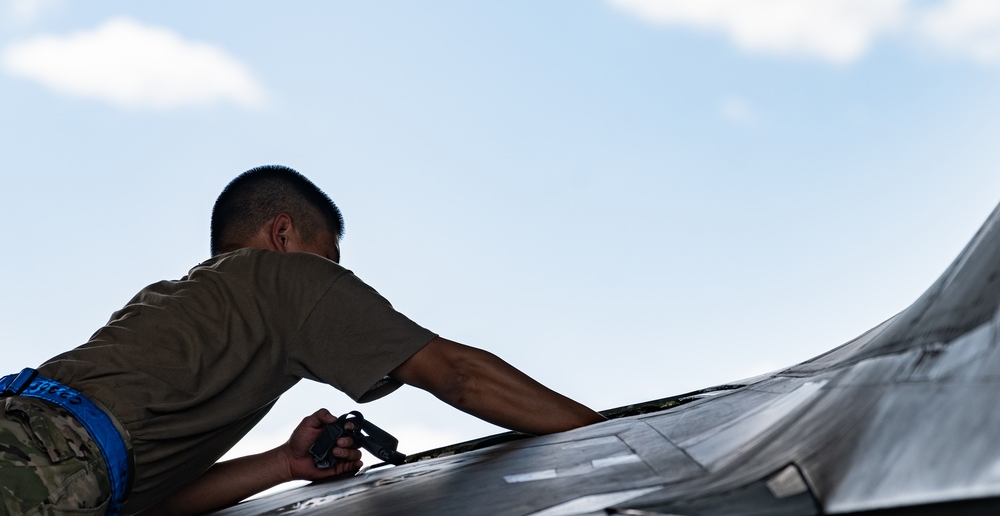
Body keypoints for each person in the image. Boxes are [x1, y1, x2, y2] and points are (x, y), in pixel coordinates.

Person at [1, 165, 604, 515]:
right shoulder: (284, 276)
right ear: (284, 234)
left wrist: (283, 465)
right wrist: (604, 435)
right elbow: (455, 374)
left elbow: (133, 502)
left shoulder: (172, 310)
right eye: (330, 260)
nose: (334, 277)